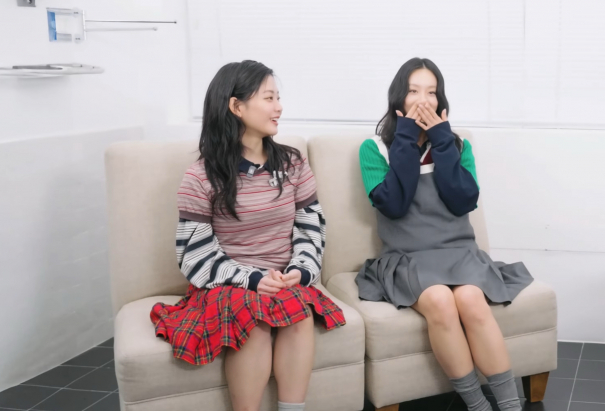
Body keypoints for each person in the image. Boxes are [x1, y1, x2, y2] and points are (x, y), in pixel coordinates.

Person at [151, 60, 345, 412]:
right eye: (269, 98)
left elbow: (311, 226)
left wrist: (300, 270)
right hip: (229, 282)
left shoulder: (293, 164)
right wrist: (251, 279)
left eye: (278, 97)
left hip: (284, 278)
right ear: (236, 106)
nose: (279, 107)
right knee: (253, 322)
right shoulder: (201, 177)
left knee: (298, 313)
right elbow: (195, 254)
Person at [356, 57, 534, 411]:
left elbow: (463, 200)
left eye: (431, 92)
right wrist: (406, 137)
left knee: (471, 299)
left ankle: (511, 407)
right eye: (413, 91)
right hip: (407, 258)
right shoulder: (373, 149)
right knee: (439, 299)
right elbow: (394, 205)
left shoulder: (457, 145)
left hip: (459, 252)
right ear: (398, 98)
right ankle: (478, 406)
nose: (423, 100)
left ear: (441, 100)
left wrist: (441, 140)